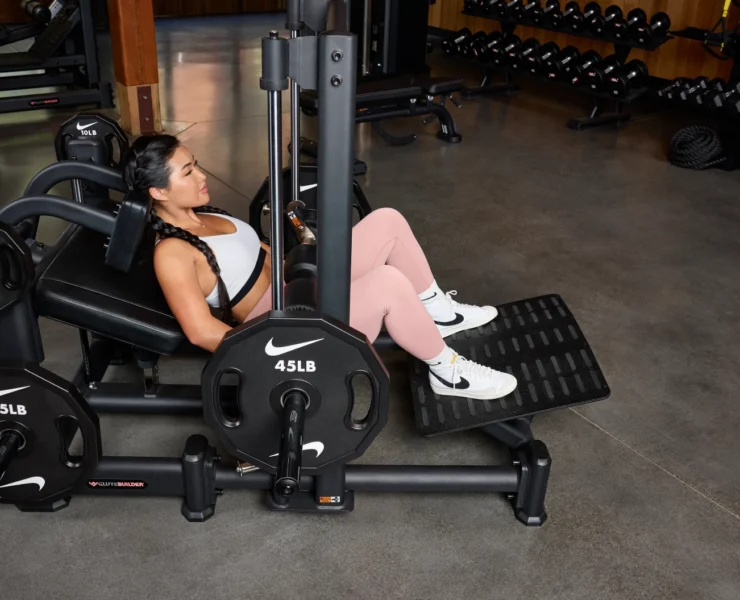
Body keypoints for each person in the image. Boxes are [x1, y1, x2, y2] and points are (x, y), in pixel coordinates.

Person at [124, 135, 517, 400]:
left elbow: (263, 253)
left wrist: (311, 258)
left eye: (196, 165)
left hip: (297, 283)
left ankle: (440, 315)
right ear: (158, 192)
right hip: (286, 323)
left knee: (386, 221)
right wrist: (267, 360)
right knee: (387, 283)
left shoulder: (204, 214)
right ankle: (447, 371)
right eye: (188, 172)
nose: (202, 175)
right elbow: (200, 331)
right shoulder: (172, 253)